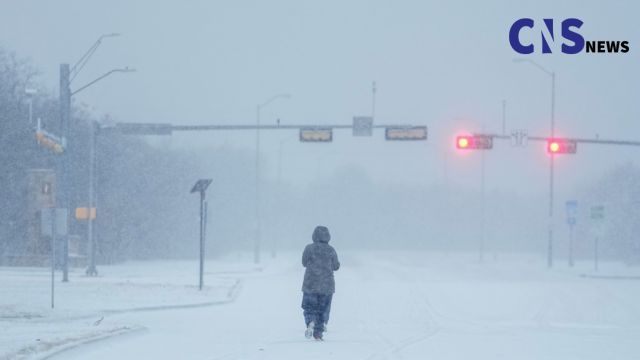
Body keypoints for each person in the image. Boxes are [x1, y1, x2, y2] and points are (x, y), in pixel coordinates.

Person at [301, 225, 340, 340]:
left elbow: (304, 262)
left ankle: (310, 322)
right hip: (327, 285)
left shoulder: (309, 248)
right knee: (323, 308)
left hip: (310, 284)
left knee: (309, 307)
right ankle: (318, 332)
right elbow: (336, 266)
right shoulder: (331, 250)